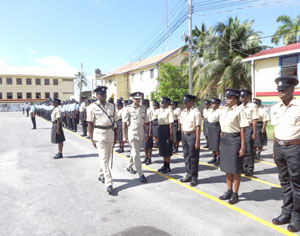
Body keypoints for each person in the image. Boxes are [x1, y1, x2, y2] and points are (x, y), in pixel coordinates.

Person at [270, 77, 300, 233]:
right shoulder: (275, 107)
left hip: (295, 148)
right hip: (280, 147)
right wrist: (275, 150)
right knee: (284, 182)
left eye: (283, 89)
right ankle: (286, 213)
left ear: (292, 89)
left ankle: (297, 217)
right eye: (278, 90)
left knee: (297, 184)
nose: (280, 92)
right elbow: (275, 130)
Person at [218, 89, 248, 205]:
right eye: (226, 98)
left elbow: (242, 130)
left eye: (230, 98)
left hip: (235, 140)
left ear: (235, 99)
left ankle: (235, 193)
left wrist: (242, 147)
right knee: (226, 167)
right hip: (225, 139)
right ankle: (229, 190)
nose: (227, 100)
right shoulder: (224, 110)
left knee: (235, 168)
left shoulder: (239, 111)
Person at [86, 86, 117, 195]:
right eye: (100, 94)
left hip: (110, 133)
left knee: (107, 158)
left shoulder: (112, 106)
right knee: (103, 158)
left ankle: (100, 174)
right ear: (97, 96)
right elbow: (90, 124)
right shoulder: (92, 107)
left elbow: (115, 122)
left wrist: (116, 136)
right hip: (99, 134)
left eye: (104, 94)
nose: (103, 96)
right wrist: (91, 138)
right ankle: (109, 183)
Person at [122, 92, 148, 183]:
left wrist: (146, 133)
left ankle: (129, 166)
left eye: (139, 99)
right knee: (136, 154)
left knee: (135, 152)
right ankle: (141, 174)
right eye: (136, 99)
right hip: (132, 133)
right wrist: (124, 136)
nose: (138, 100)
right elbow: (124, 123)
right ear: (132, 99)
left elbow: (145, 122)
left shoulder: (144, 108)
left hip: (140, 133)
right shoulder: (127, 109)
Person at [180, 94, 201, 186]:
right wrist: (182, 137)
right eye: (184, 102)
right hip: (185, 135)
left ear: (191, 102)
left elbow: (198, 127)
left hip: (192, 136)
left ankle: (194, 177)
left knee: (193, 157)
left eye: (186, 102)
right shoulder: (183, 112)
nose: (184, 103)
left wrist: (197, 141)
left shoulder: (196, 112)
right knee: (186, 156)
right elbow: (182, 125)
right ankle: (188, 174)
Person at [239, 89, 259, 176]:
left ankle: (250, 168)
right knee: (242, 147)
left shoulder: (253, 106)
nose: (242, 98)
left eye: (244, 97)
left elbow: (254, 120)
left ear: (248, 97)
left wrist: (254, 132)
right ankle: (243, 166)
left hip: (249, 127)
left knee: (249, 148)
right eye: (241, 97)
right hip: (241, 128)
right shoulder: (239, 107)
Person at [157, 97, 174, 173]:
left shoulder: (169, 111)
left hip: (166, 129)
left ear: (167, 103)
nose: (161, 104)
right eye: (161, 102)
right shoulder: (160, 110)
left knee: (167, 149)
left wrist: (170, 134)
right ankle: (164, 165)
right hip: (160, 129)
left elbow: (170, 124)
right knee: (162, 148)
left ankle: (168, 166)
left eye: (163, 103)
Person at [207, 98, 222, 166]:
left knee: (217, 144)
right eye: (212, 103)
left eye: (214, 103)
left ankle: (219, 158)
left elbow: (221, 122)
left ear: (218, 104)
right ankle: (214, 157)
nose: (212, 105)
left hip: (216, 127)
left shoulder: (220, 111)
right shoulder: (210, 111)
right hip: (210, 127)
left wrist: (221, 131)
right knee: (212, 144)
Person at [142, 99, 153, 165]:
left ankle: (149, 158)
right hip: (143, 127)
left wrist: (150, 131)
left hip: (148, 126)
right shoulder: (142, 110)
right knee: (144, 145)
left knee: (149, 145)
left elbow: (151, 122)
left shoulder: (150, 111)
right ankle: (146, 157)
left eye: (144, 104)